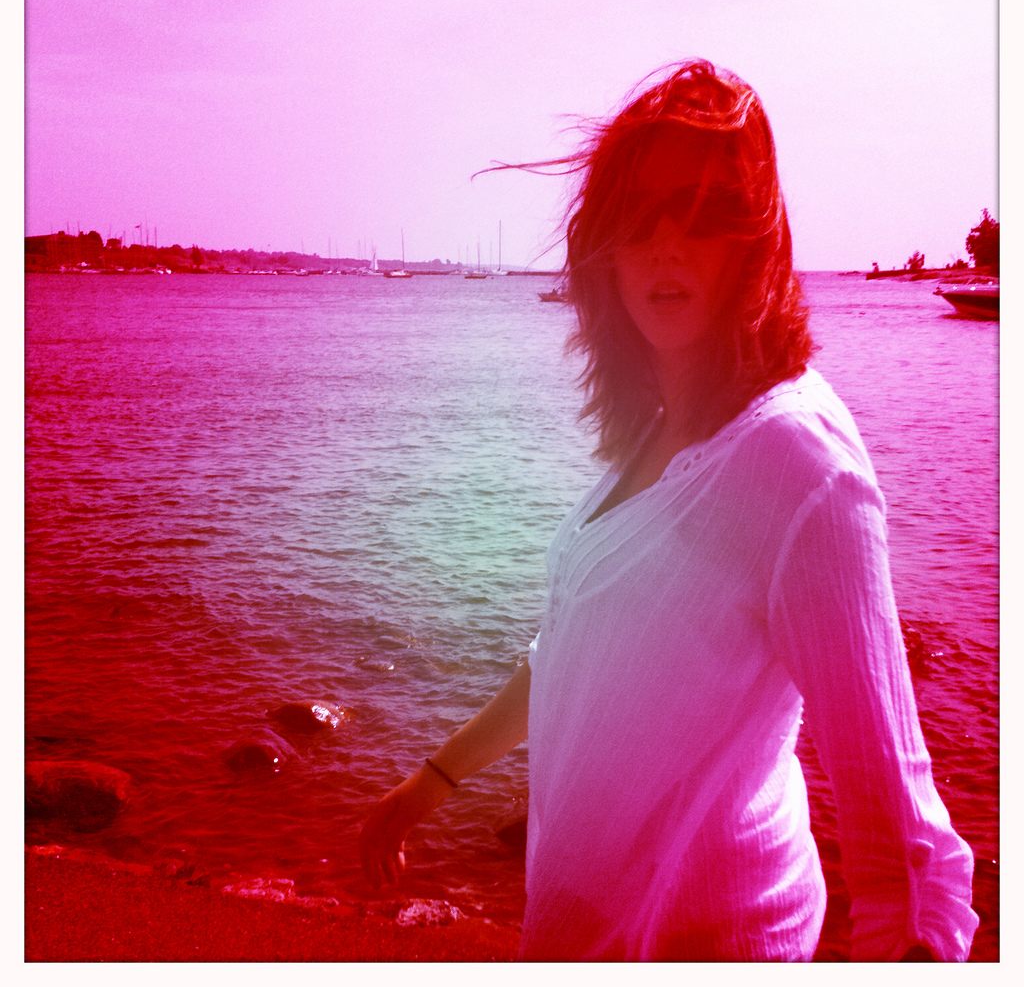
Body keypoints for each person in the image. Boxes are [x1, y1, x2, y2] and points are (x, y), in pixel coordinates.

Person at [358, 59, 979, 962]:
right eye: (637, 213)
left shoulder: (800, 465)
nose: (666, 241)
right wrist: (430, 782)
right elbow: (574, 653)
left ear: (757, 237)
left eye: (704, 209)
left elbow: (905, 850)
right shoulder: (663, 425)